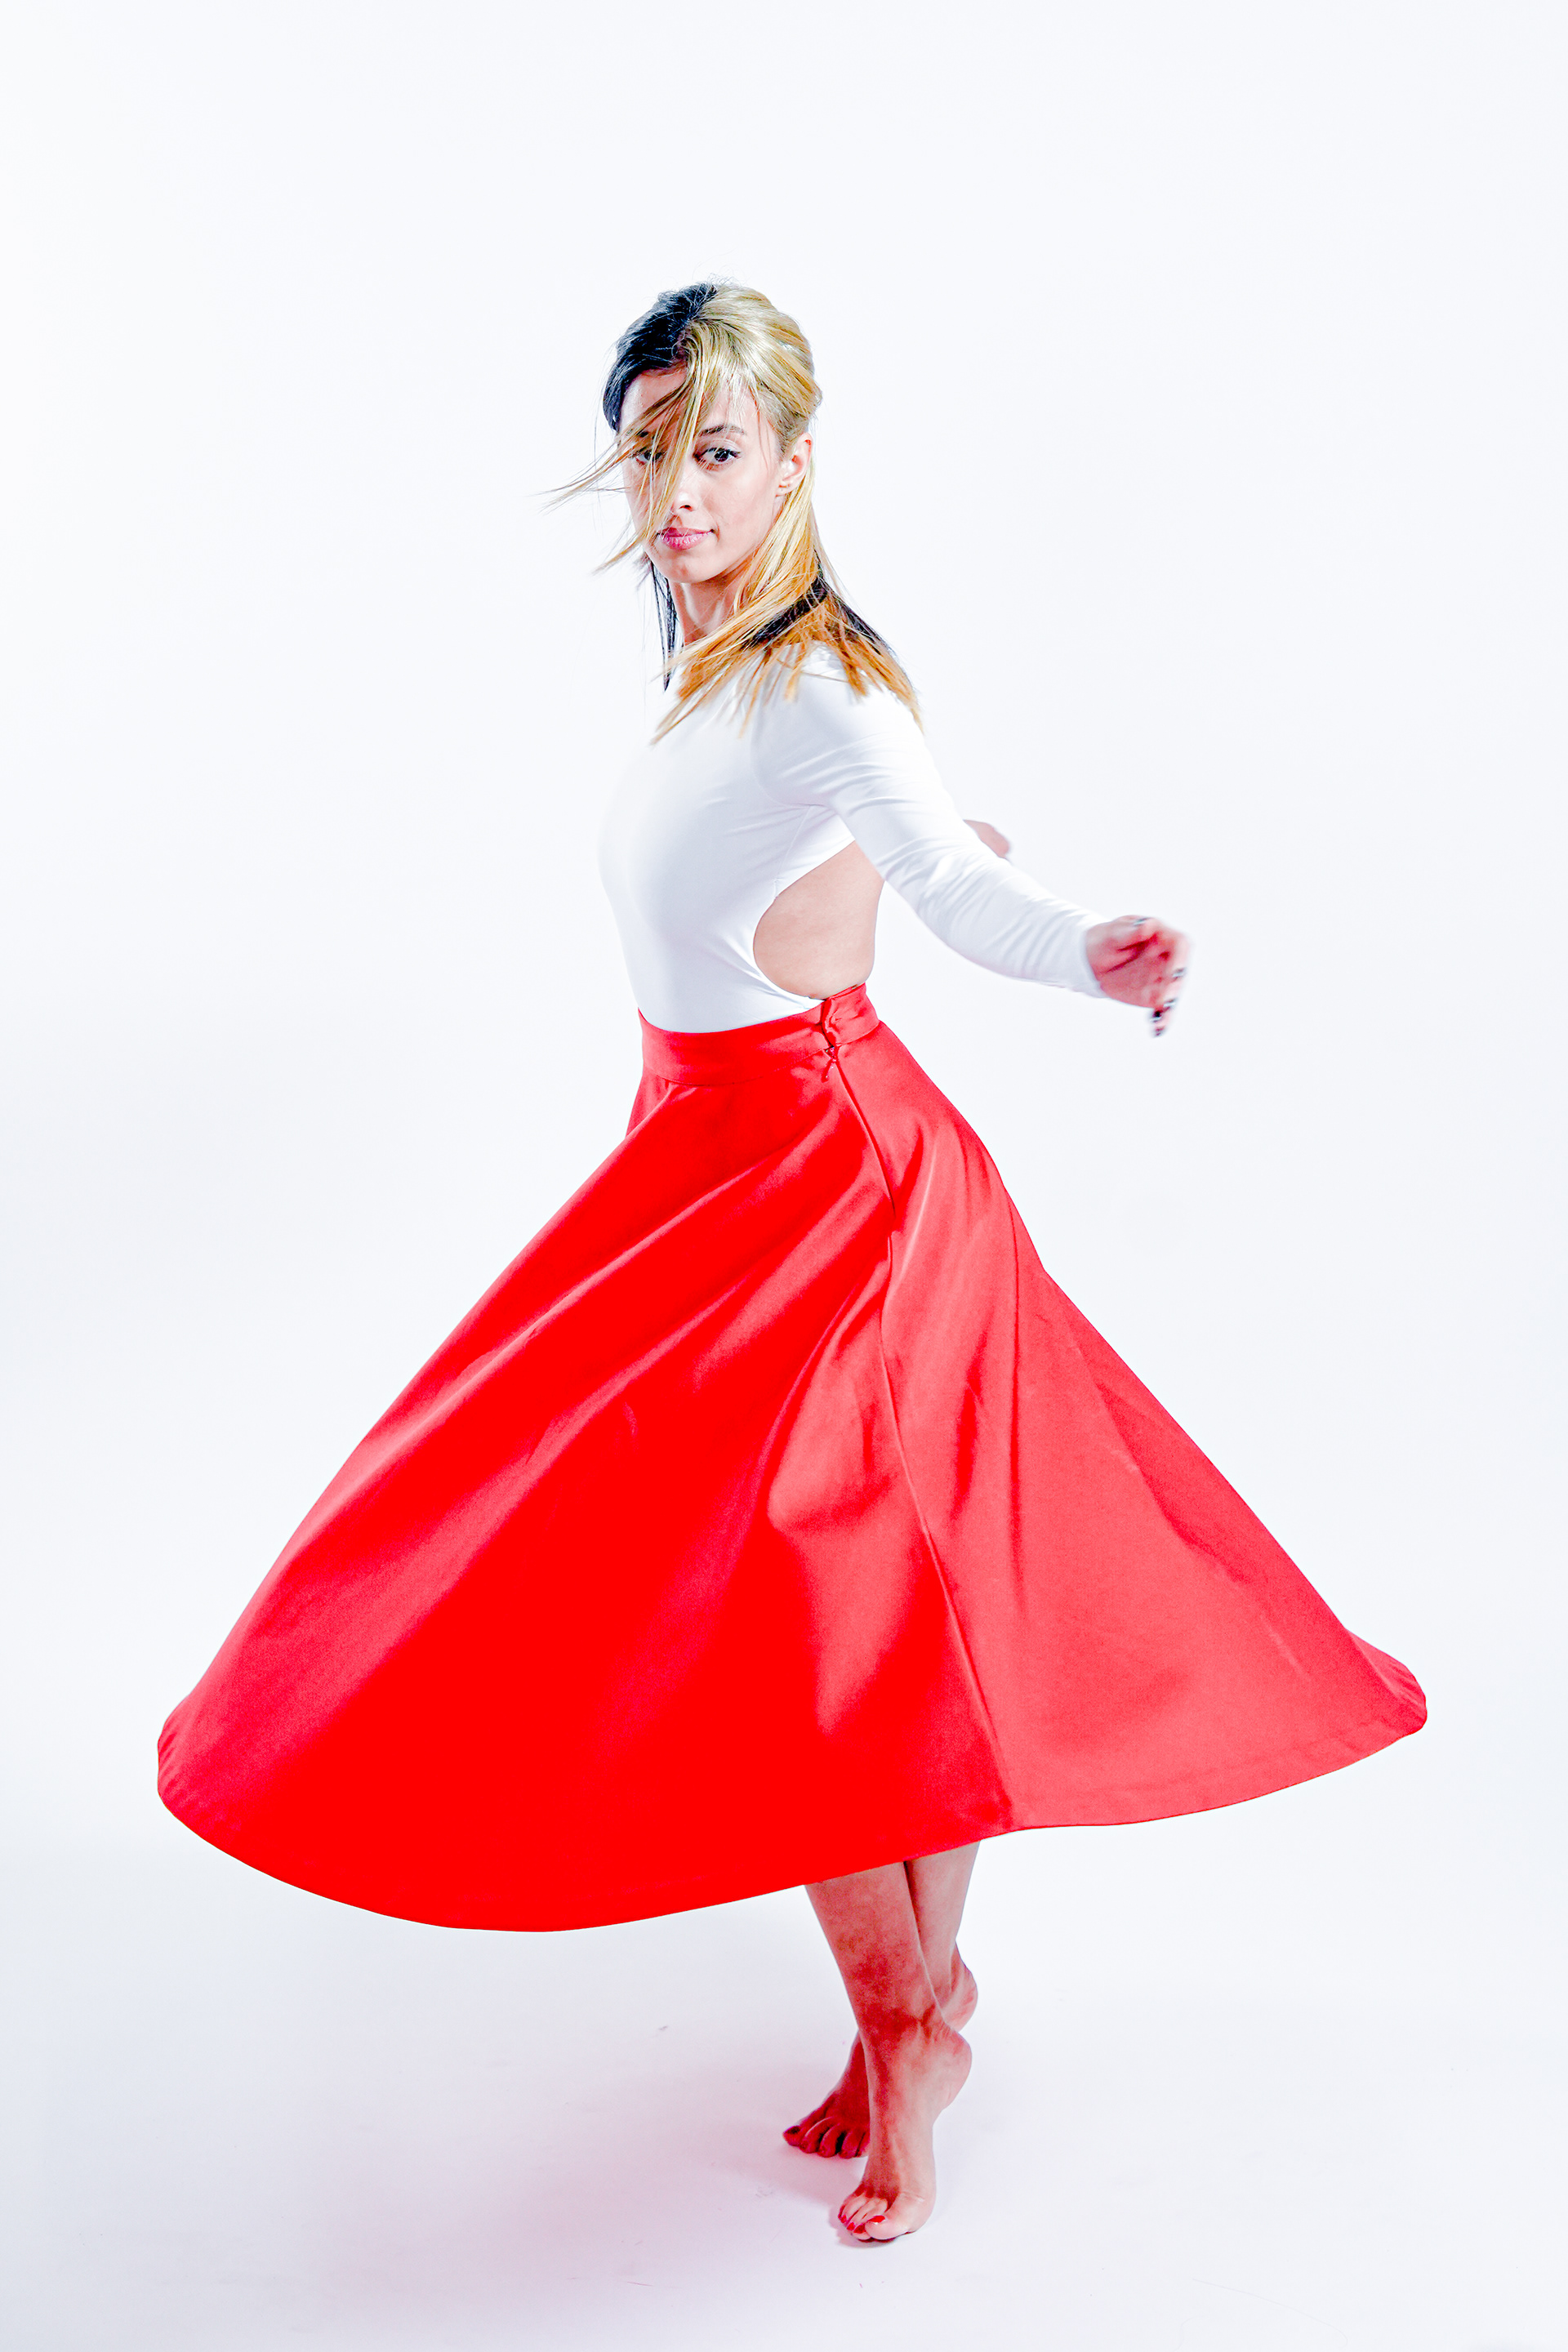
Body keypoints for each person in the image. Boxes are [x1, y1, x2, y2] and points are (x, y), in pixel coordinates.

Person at [158, 283, 1425, 2245]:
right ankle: (920, 2007)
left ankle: (910, 2026)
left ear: (796, 461)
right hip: (701, 1170)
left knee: (828, 1641)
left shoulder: (825, 682)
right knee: (762, 1603)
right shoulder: (712, 666)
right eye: (651, 452)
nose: (679, 491)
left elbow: (957, 888)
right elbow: (801, 875)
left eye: (718, 451)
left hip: (840, 1193)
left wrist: (1089, 949)